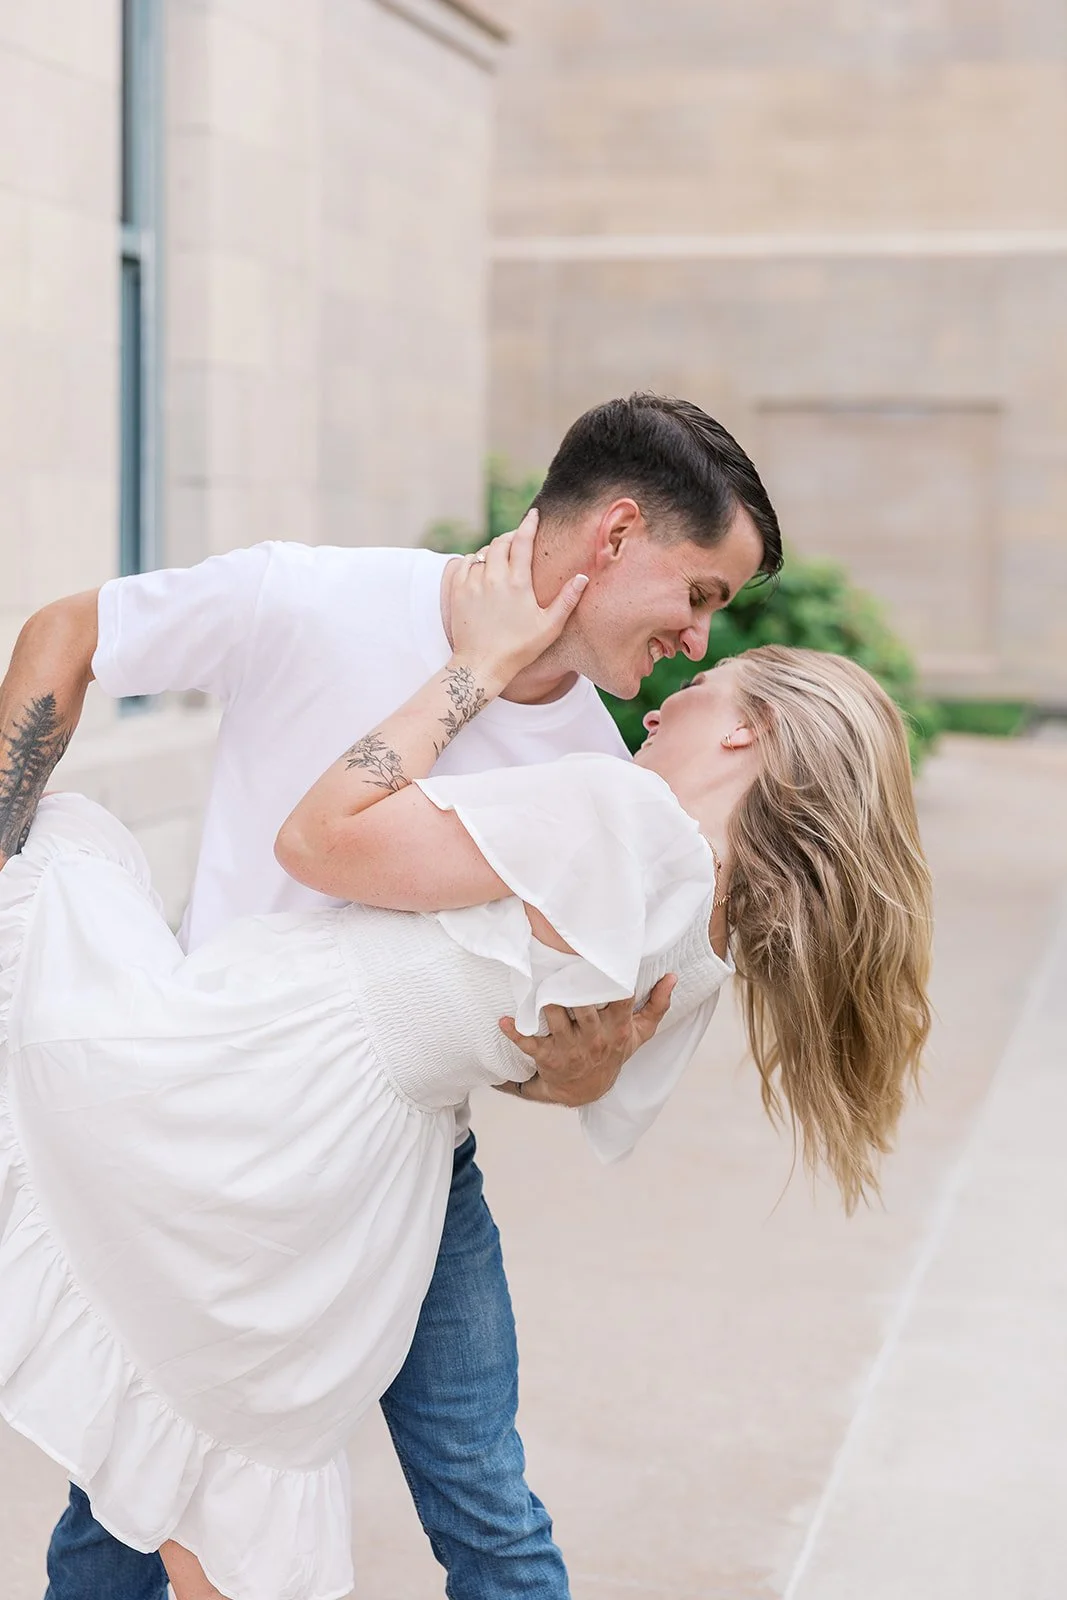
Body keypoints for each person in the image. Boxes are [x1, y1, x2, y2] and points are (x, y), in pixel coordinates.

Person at [0, 521, 932, 1600]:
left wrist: (472, 672)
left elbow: (317, 837)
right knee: (214, 1448)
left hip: (271, 1077)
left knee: (66, 845)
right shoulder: (711, 936)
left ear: (748, 736)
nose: (672, 692)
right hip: (371, 1152)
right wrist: (574, 1072)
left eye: (709, 683)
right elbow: (596, 1087)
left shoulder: (616, 807)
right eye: (698, 603)